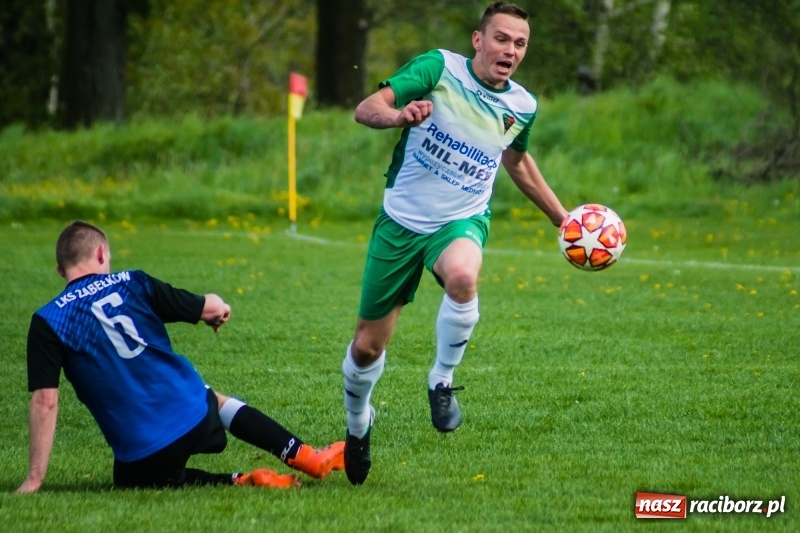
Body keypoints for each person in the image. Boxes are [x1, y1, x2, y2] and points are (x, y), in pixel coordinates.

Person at [341, 1, 569, 485]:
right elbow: (367, 109)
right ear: (478, 40)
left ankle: (441, 381)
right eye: (503, 38)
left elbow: (516, 162)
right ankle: (358, 426)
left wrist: (562, 218)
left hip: (460, 220)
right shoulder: (438, 68)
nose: (511, 49)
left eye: (521, 43)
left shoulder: (522, 105)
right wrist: (400, 116)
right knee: (365, 349)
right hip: (401, 223)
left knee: (464, 276)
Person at [18, 221, 344, 493]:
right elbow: (212, 307)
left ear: (61, 269)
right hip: (197, 418)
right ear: (101, 252)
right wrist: (220, 310)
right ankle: (304, 455)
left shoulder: (48, 320)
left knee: (138, 480)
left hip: (141, 456)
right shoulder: (134, 282)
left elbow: (45, 401)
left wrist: (35, 479)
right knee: (214, 400)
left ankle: (243, 481)